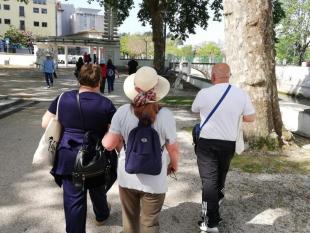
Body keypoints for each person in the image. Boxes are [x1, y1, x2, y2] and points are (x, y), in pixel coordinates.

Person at [102, 66, 179, 233]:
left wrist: (112, 136)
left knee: (129, 223)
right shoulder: (165, 115)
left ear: (135, 88)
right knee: (149, 224)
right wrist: (174, 165)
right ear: (156, 88)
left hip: (127, 176)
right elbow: (173, 149)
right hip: (155, 179)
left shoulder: (122, 112)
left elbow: (108, 144)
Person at [41, 64, 116, 233]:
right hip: (96, 154)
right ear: (99, 81)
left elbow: (45, 123)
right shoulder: (106, 104)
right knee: (97, 187)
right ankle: (102, 215)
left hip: (68, 155)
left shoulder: (63, 98)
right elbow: (113, 132)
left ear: (79, 79)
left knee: (74, 200)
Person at [191, 63, 256, 233]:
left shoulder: (204, 93)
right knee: (220, 178)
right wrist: (234, 115)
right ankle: (214, 209)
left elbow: (194, 109)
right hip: (228, 143)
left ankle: (209, 222)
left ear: (213, 76)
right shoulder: (241, 94)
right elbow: (250, 117)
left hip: (206, 143)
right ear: (229, 75)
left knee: (209, 182)